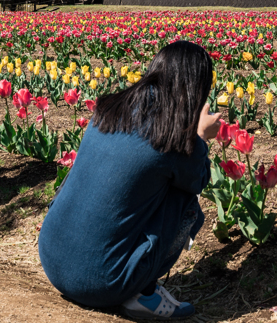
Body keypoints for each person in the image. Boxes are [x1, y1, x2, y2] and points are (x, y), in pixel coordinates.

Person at [38, 40, 220, 319]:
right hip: (101, 284)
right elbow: (199, 181)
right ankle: (143, 293)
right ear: (197, 88)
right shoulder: (174, 137)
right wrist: (200, 137)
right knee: (186, 201)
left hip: (51, 257)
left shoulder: (109, 108)